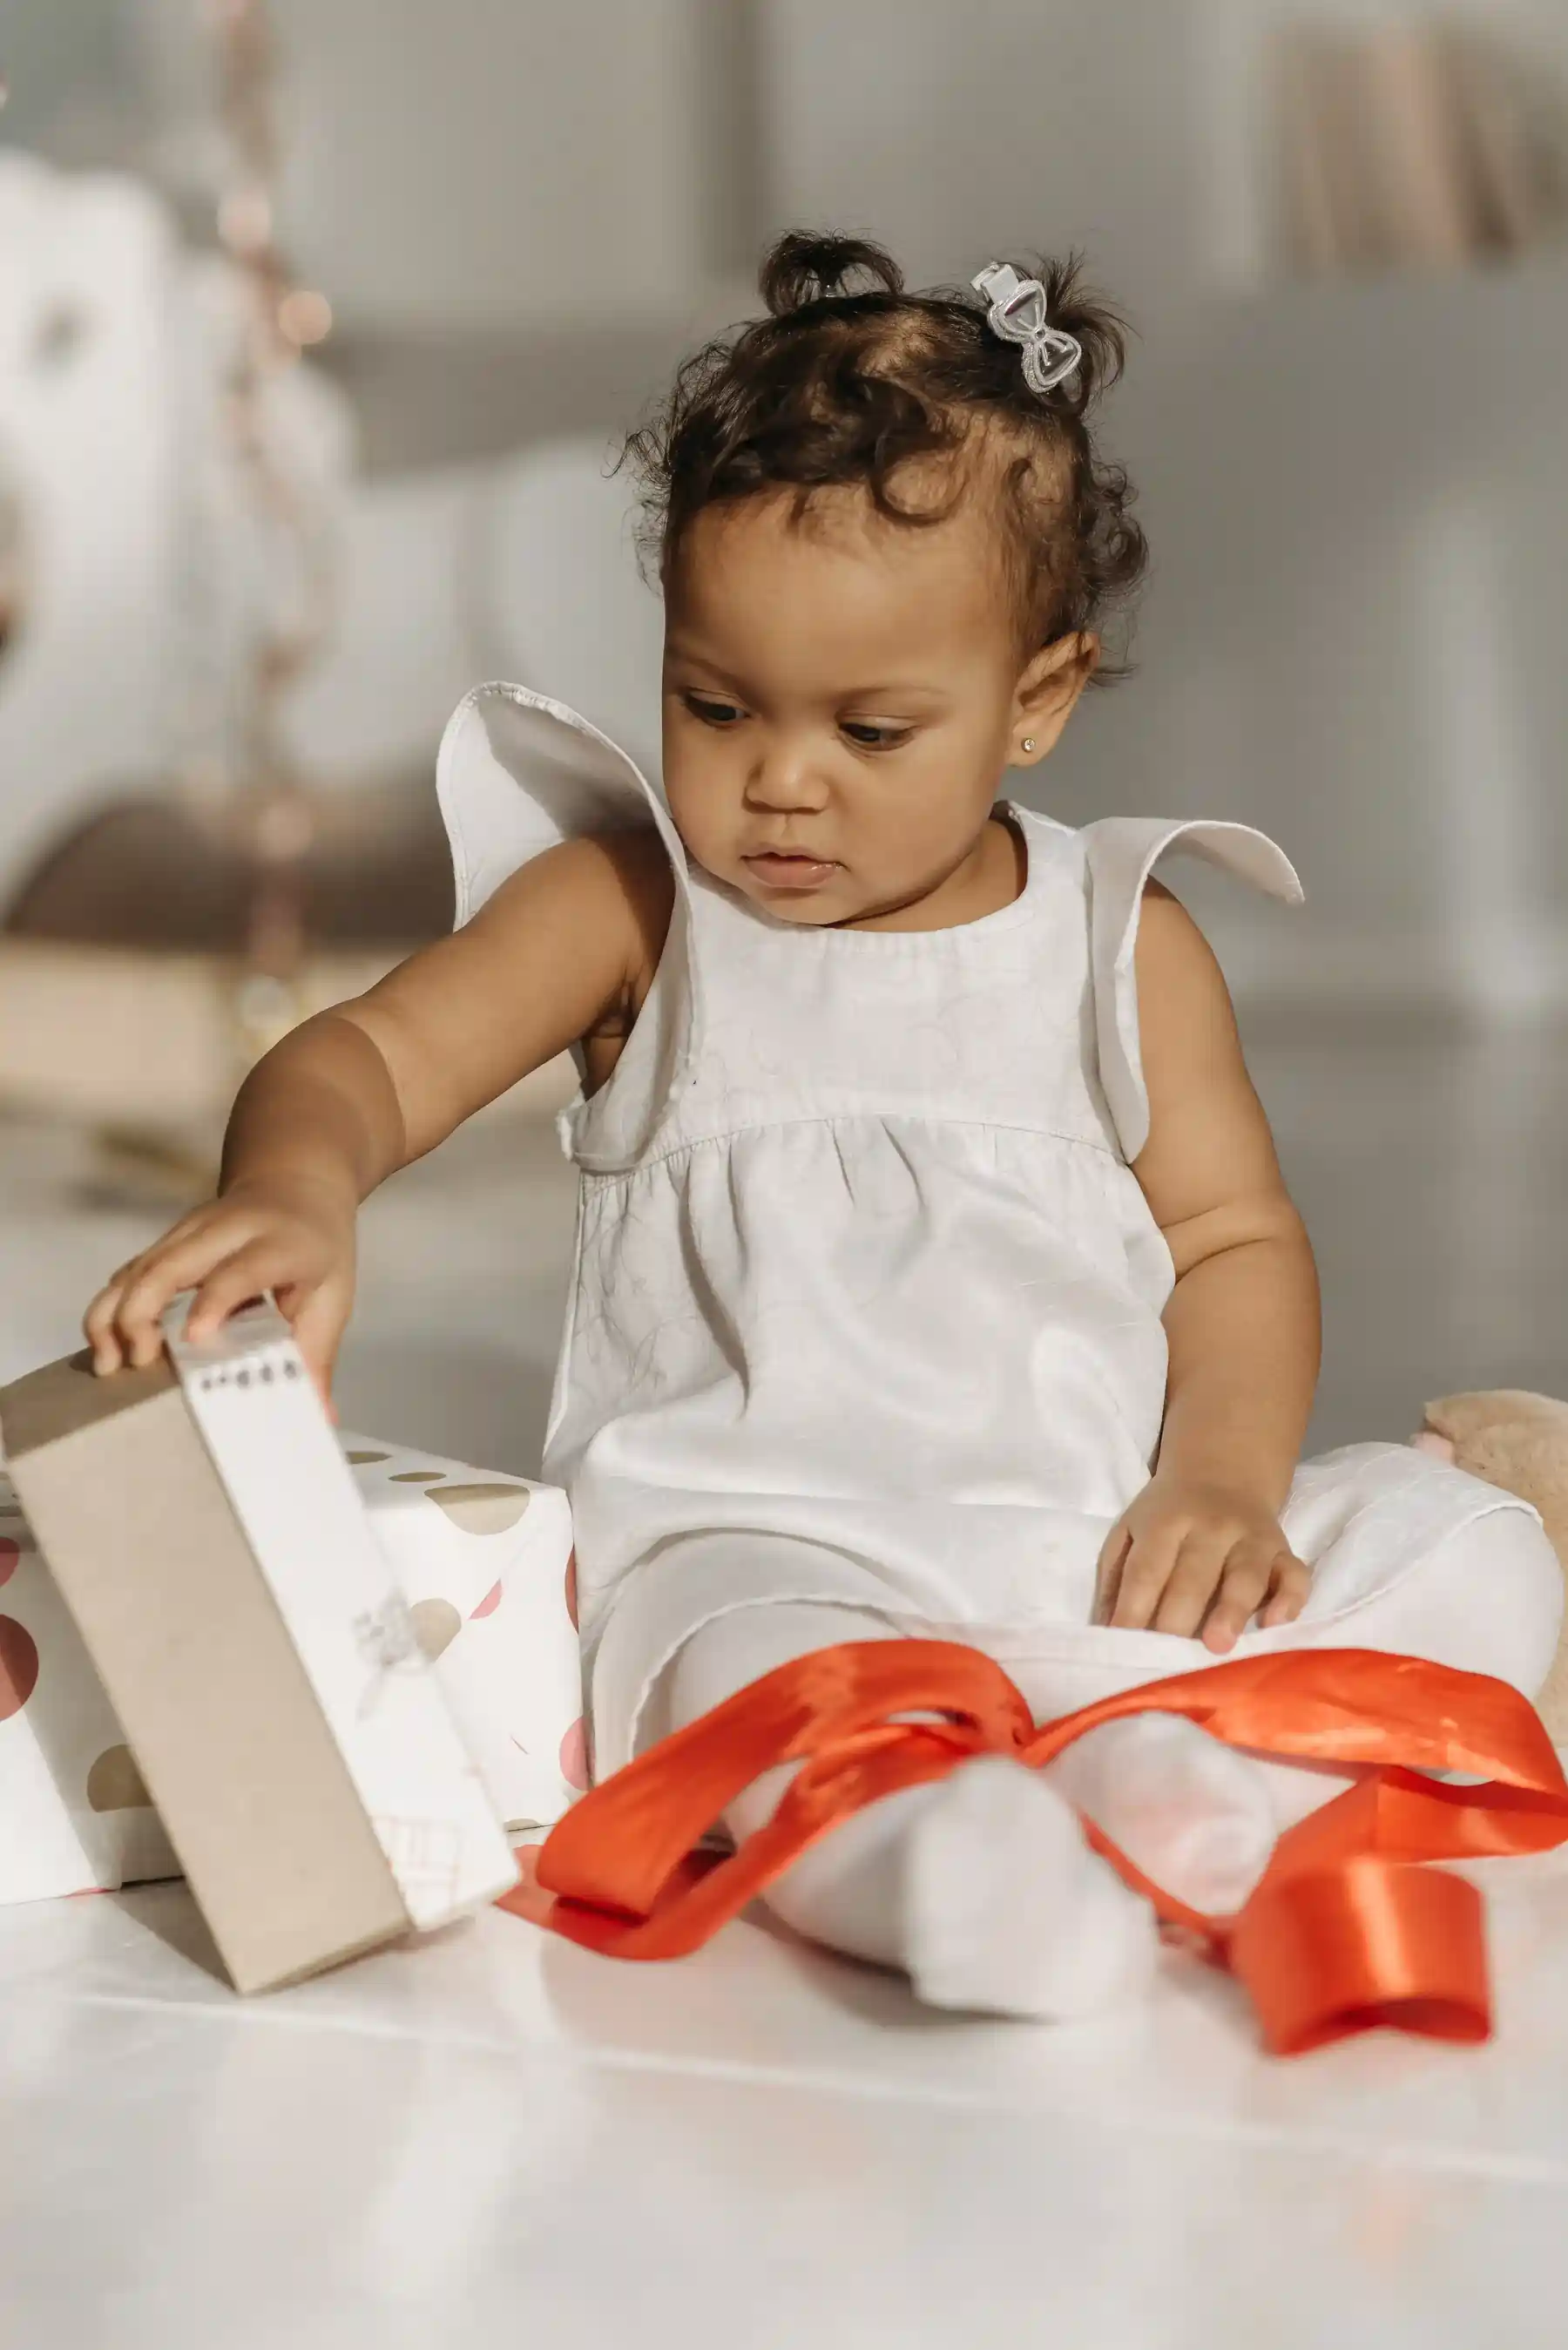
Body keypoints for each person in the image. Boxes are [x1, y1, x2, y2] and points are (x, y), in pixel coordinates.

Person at [85, 234, 1563, 2019]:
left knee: (1459, 1547)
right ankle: (945, 1848)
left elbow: (1234, 1244)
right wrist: (296, 1187)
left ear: (1037, 699)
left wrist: (1222, 1479)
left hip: (1086, 1543)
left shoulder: (1126, 940)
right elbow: (364, 1060)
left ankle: (1167, 1766)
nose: (779, 778)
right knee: (729, 1669)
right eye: (715, 706)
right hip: (769, 1568)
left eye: (870, 729)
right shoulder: (634, 912)